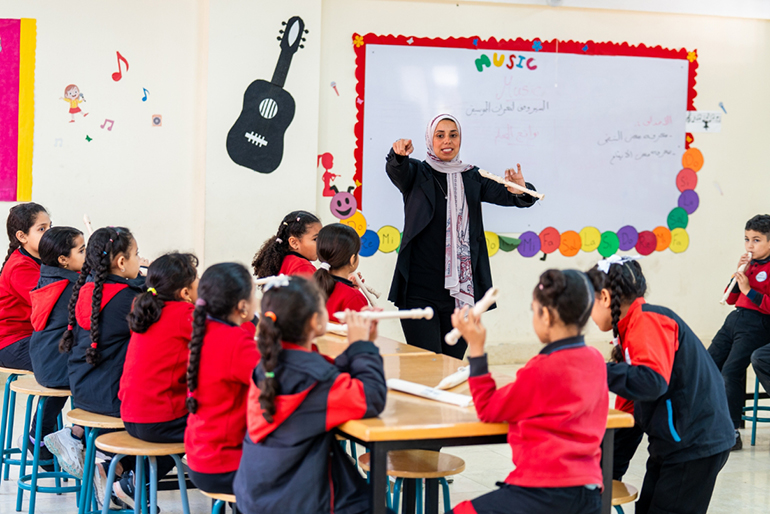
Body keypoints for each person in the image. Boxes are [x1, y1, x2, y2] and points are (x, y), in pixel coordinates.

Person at [449, 269, 606, 514]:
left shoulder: (543, 368)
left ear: (545, 315)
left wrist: (476, 348)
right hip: (590, 492)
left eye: (534, 310)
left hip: (545, 492)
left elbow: (488, 409)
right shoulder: (596, 359)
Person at [587, 256, 733, 514]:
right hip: (673, 442)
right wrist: (607, 471)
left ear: (605, 298)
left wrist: (594, 369)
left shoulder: (648, 320)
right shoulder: (630, 328)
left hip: (694, 443)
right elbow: (629, 409)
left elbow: (650, 382)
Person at [386, 114, 538, 358]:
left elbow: (514, 196)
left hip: (461, 292)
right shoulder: (415, 172)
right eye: (440, 135)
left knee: (451, 364)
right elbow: (396, 169)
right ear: (430, 139)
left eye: (453, 135)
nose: (448, 140)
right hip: (418, 288)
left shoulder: (472, 175)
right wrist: (398, 155)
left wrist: (520, 188)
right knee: (425, 365)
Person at [234, 276, 387, 514]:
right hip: (301, 502)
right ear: (315, 321)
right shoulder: (312, 377)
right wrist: (361, 347)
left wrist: (360, 344)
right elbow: (372, 398)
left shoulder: (269, 366)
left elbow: (328, 375)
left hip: (260, 498)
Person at [57, 226, 146, 508]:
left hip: (83, 392)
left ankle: (108, 462)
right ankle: (119, 472)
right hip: (112, 398)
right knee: (172, 419)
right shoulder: (128, 301)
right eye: (136, 255)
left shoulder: (87, 290)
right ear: (121, 262)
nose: (139, 260)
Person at [114, 253, 199, 508]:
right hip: (159, 421)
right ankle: (134, 482)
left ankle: (119, 470)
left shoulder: (144, 309)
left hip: (130, 416)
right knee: (210, 426)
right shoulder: (186, 314)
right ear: (185, 291)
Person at [184, 263, 259, 497]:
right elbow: (278, 379)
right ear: (243, 306)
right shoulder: (236, 342)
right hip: (225, 464)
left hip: (201, 456)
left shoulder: (203, 329)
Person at [26, 227, 86, 475]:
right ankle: (77, 438)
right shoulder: (71, 288)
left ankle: (37, 437)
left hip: (45, 362)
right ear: (63, 259)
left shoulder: (50, 277)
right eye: (82, 250)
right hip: (58, 368)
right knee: (108, 378)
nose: (87, 255)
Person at [708, 214, 770, 450]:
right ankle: (710, 422)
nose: (749, 245)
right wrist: (737, 275)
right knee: (708, 365)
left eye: (756, 240)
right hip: (735, 320)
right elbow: (734, 298)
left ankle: (732, 431)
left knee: (730, 372)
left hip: (759, 324)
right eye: (747, 239)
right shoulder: (751, 264)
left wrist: (748, 289)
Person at [0, 202, 50, 369]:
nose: (49, 233)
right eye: (42, 229)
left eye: (50, 227)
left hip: (34, 338)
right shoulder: (20, 267)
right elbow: (50, 302)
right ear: (22, 236)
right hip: (13, 343)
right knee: (77, 364)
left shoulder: (42, 260)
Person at [313, 223, 368, 321]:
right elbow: (362, 334)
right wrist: (353, 293)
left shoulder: (306, 287)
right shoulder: (353, 297)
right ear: (352, 259)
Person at [252, 211, 322, 278]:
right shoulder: (303, 266)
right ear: (294, 242)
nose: (321, 243)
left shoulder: (282, 262)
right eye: (315, 239)